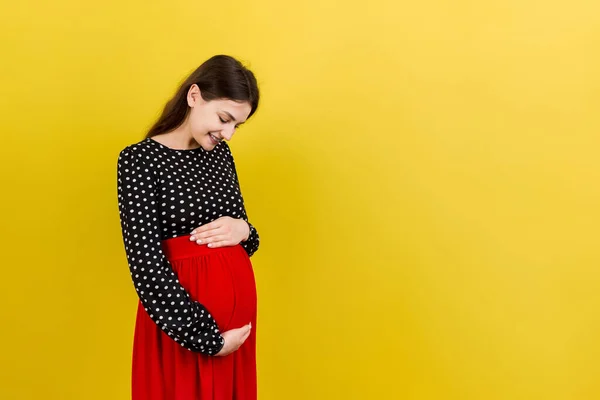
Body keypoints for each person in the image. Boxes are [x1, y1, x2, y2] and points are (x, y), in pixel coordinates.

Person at [116, 54, 261, 400]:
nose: (228, 134)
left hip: (235, 336)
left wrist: (245, 230)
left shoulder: (220, 156)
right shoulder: (139, 160)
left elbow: (246, 240)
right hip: (185, 332)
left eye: (236, 126)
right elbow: (146, 265)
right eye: (224, 119)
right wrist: (207, 338)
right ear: (194, 95)